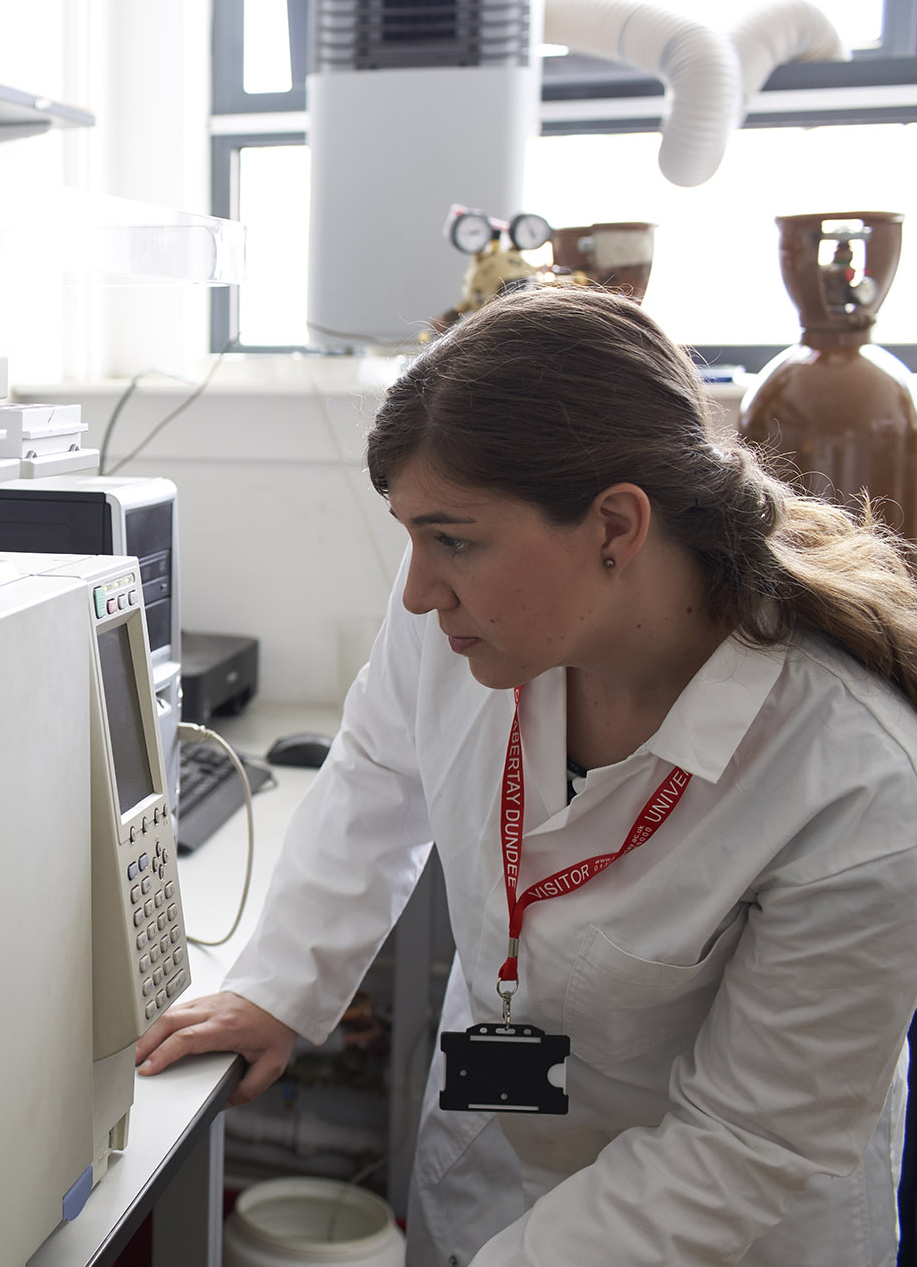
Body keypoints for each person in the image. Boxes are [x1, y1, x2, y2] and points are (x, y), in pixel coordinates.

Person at [136, 288, 917, 1265]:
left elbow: (748, 1143)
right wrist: (283, 986)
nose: (419, 590)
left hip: (725, 1221)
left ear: (616, 528)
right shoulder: (470, 613)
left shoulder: (858, 788)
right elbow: (380, 767)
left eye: (453, 540)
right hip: (497, 1150)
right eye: (411, 536)